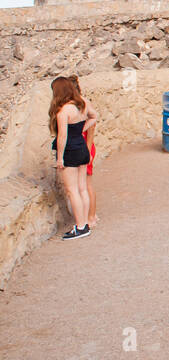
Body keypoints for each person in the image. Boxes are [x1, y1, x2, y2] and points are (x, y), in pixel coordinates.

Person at [49, 76, 97, 240]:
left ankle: (80, 226)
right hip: (82, 148)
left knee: (72, 190)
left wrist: (60, 159)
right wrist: (82, 128)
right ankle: (85, 224)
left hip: (70, 151)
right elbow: (95, 116)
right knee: (82, 188)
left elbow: (62, 137)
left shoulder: (63, 111)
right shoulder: (81, 104)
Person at [69, 74, 98, 226]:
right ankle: (87, 215)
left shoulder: (83, 104)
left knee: (86, 184)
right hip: (81, 146)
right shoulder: (75, 105)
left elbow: (92, 128)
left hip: (85, 146)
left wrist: (87, 151)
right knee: (83, 184)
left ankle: (91, 217)